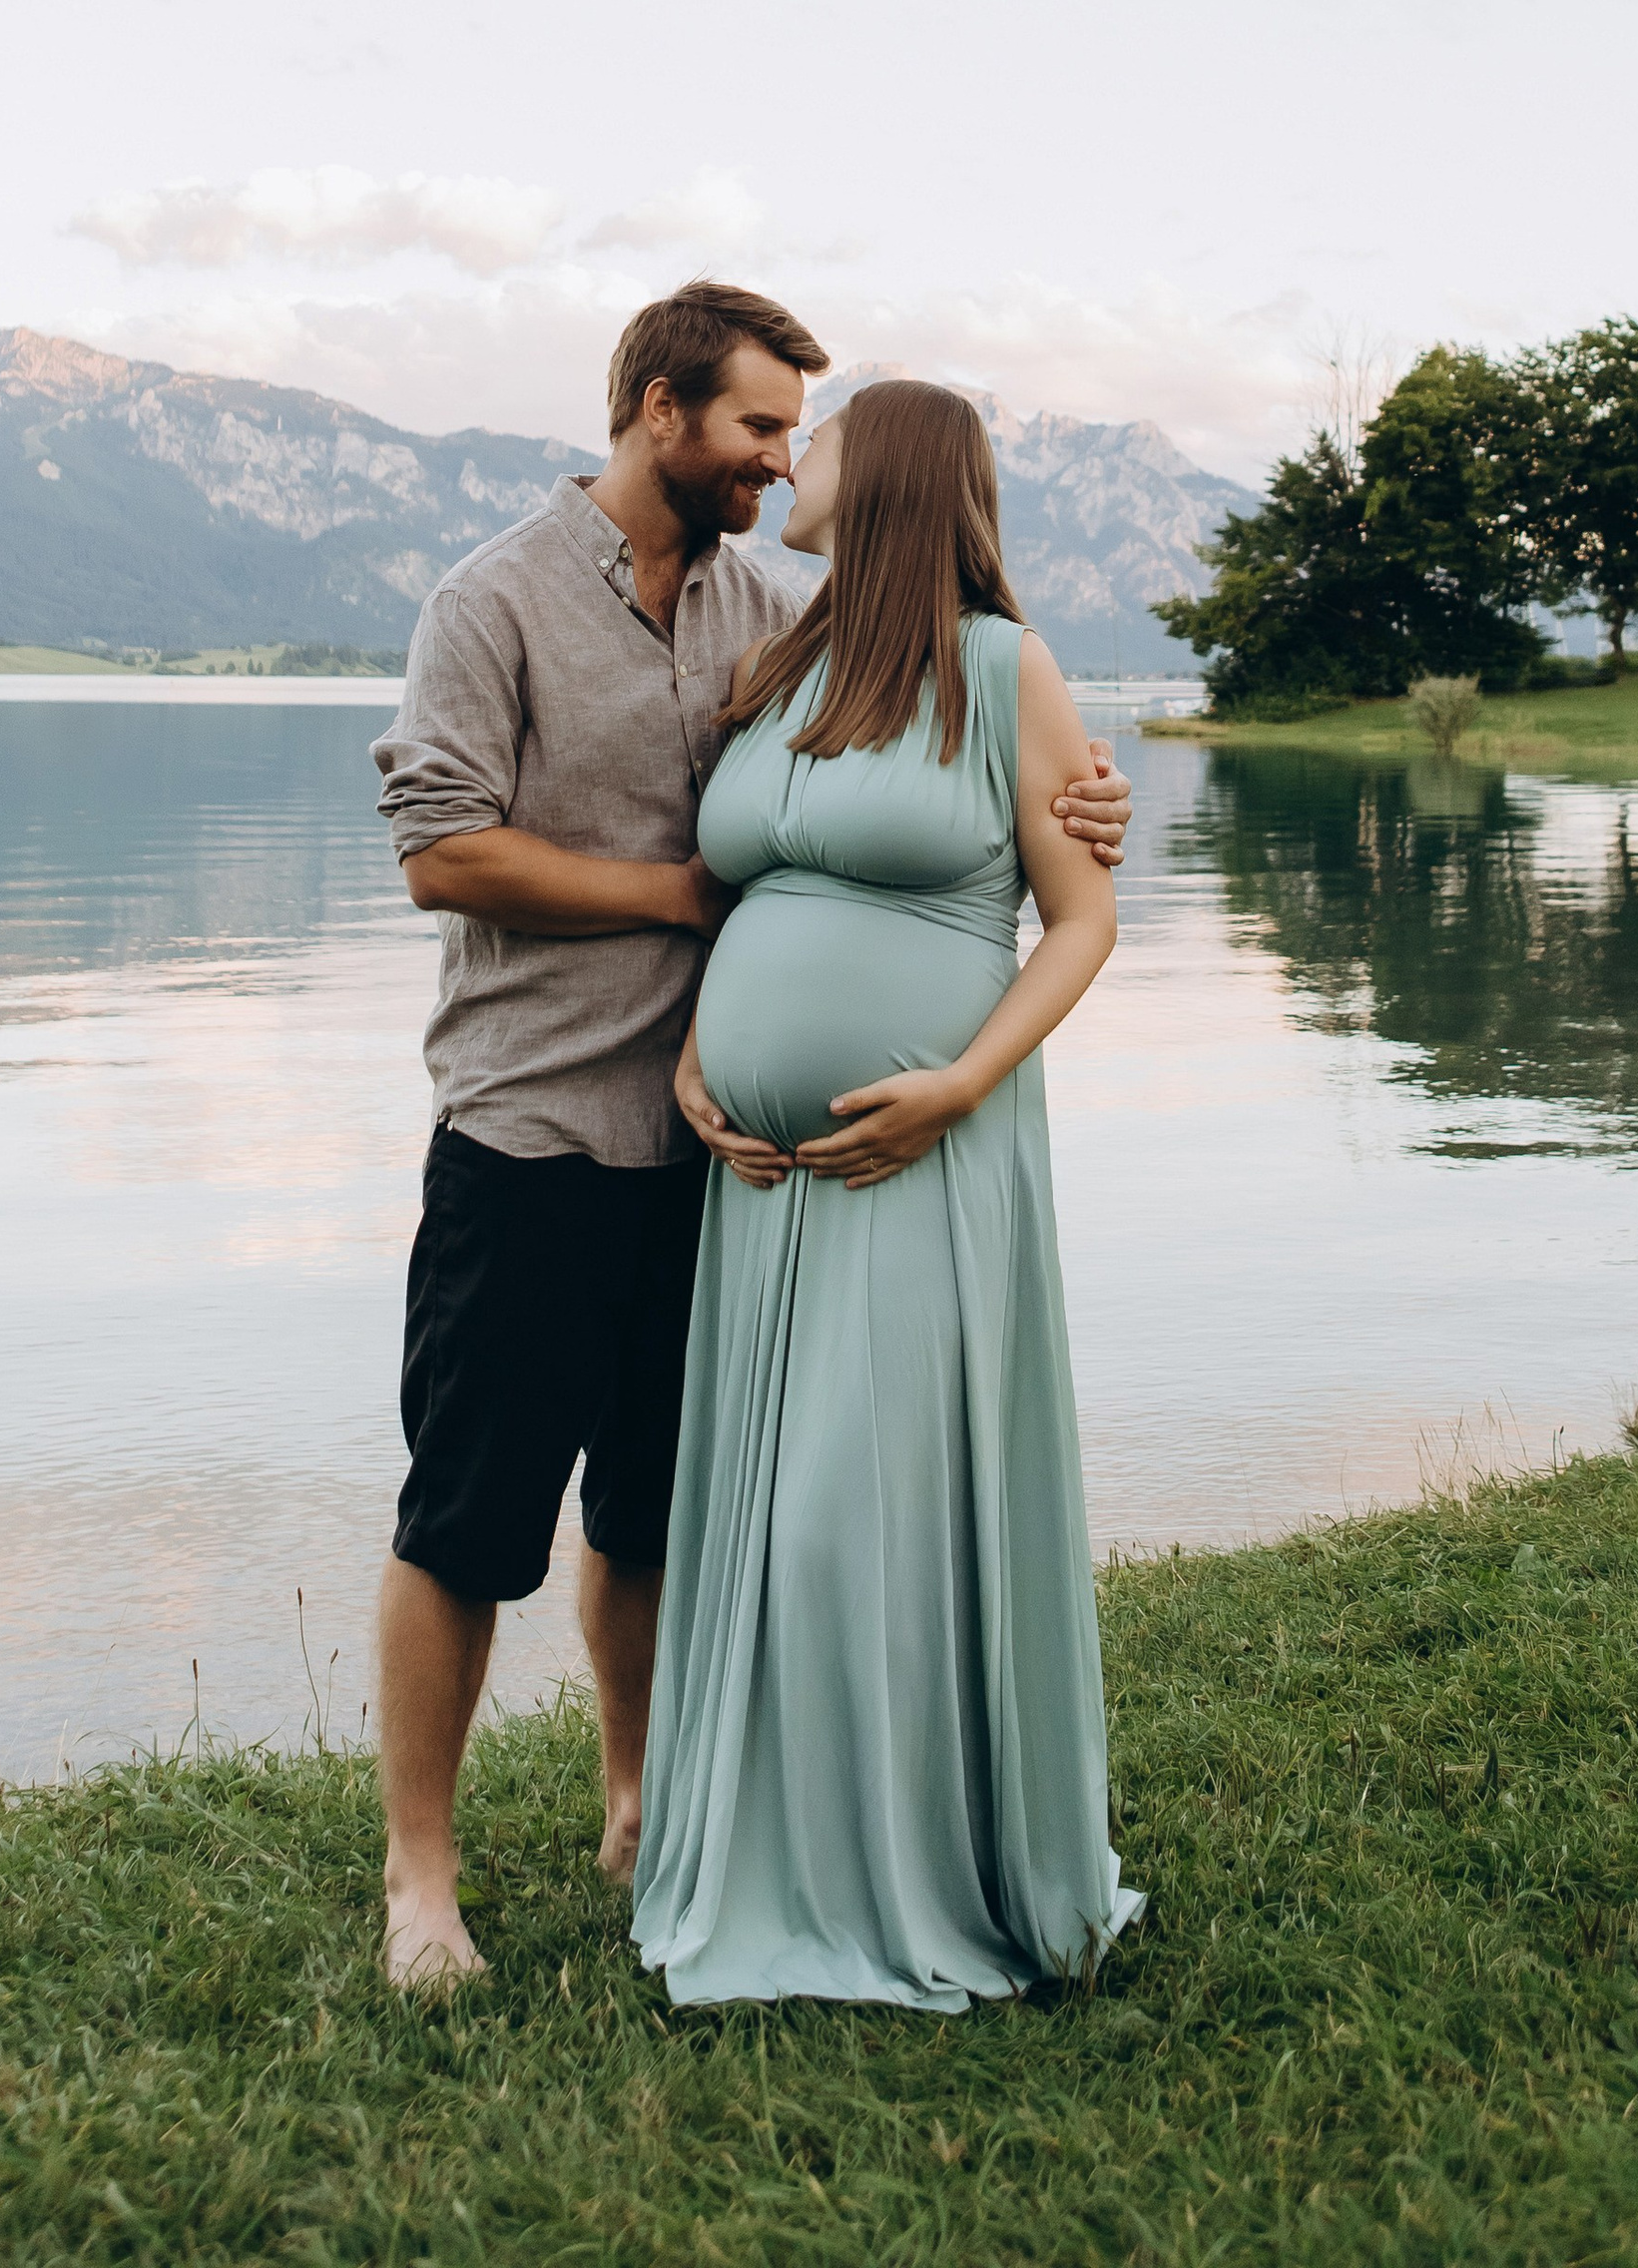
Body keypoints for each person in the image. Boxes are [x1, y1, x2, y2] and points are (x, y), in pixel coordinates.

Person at [369, 284, 1133, 1987]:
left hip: (715, 1168)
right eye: (760, 429)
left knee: (659, 1509)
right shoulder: (488, 599)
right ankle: (423, 1880)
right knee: (469, 1517)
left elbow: (962, 732)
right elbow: (439, 850)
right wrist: (679, 901)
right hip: (534, 1121)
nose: (782, 462)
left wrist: (1091, 796)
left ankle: (645, 1799)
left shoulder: (776, 613)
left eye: (804, 438)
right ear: (659, 409)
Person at [631, 375, 1143, 2008]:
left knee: (870, 1513)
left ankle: (913, 1867)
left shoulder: (1004, 671)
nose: (795, 459)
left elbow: (1079, 923)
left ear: (893, 472)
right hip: (763, 1183)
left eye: (821, 437)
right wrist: (702, 1051)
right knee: (772, 1520)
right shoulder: (782, 660)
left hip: (919, 1162)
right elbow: (741, 892)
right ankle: (761, 1855)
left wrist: (960, 1085)